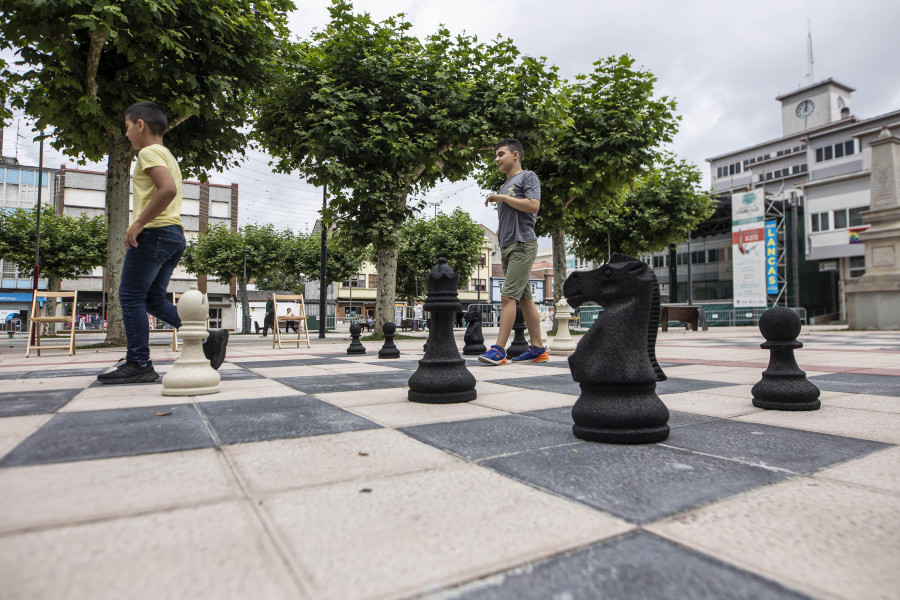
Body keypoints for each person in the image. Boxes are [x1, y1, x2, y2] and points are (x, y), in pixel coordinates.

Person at [98, 101, 227, 384]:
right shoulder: (167, 154)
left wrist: (138, 223)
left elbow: (166, 189)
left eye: (128, 126)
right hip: (173, 235)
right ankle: (209, 338)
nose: (127, 134)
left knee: (130, 297)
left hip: (155, 233)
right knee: (153, 299)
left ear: (140, 124)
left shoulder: (148, 153)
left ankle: (138, 362)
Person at [478, 138, 547, 365]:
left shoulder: (528, 177)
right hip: (508, 246)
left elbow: (533, 206)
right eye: (496, 156)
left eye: (500, 154)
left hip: (522, 244)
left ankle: (499, 350)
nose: (497, 159)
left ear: (515, 154)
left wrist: (503, 198)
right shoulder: (503, 186)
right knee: (525, 299)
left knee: (507, 296)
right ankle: (538, 348)